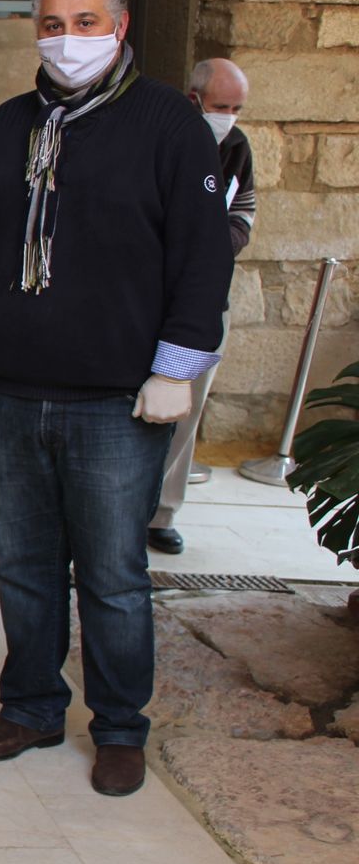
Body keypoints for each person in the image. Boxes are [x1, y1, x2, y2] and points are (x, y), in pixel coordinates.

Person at [0, 0, 232, 796]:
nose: (67, 40)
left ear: (119, 28)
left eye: (85, 23)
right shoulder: (6, 126)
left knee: (114, 575)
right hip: (13, 390)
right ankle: (31, 706)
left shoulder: (170, 125)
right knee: (22, 562)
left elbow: (202, 260)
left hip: (117, 400)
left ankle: (121, 725)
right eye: (52, 24)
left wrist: (177, 367)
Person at [147, 58, 257, 555]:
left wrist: (209, 242)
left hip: (207, 295)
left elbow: (244, 214)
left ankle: (161, 513)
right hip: (149, 295)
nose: (229, 116)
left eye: (236, 107)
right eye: (221, 106)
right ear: (194, 99)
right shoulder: (158, 134)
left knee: (185, 412)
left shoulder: (236, 147)